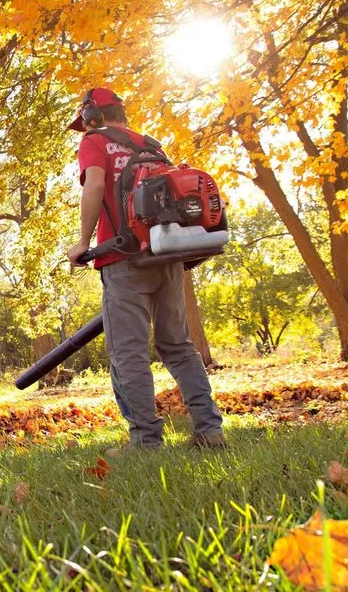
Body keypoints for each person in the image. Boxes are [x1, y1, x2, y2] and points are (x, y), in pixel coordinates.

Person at [65, 88, 226, 450]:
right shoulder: (152, 146)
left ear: (92, 116)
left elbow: (94, 184)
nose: (85, 128)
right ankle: (209, 430)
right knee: (179, 347)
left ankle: (145, 441)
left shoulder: (94, 141)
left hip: (122, 259)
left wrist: (82, 243)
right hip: (165, 256)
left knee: (128, 353)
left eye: (86, 121)